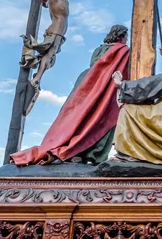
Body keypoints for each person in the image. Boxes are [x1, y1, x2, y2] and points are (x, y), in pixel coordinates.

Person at [11, 25, 130, 166]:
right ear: (122, 36)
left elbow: (95, 65)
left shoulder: (99, 49)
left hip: (87, 83)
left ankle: (74, 152)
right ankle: (93, 155)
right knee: (102, 120)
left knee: (79, 117)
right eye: (126, 37)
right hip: (108, 87)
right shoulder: (123, 50)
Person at [20, 0, 79, 114]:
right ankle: (36, 79)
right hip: (56, 31)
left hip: (57, 32)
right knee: (49, 56)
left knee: (49, 59)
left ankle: (37, 78)